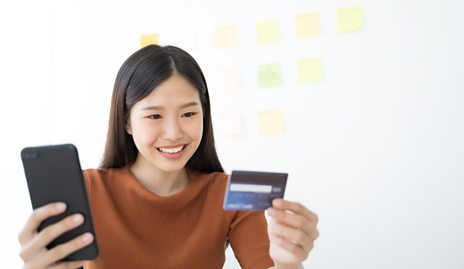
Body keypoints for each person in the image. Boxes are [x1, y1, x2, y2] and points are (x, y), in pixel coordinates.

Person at [18, 45, 319, 269]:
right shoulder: (86, 190)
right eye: (154, 116)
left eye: (189, 113)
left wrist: (287, 263)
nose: (174, 133)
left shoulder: (232, 193)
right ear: (126, 122)